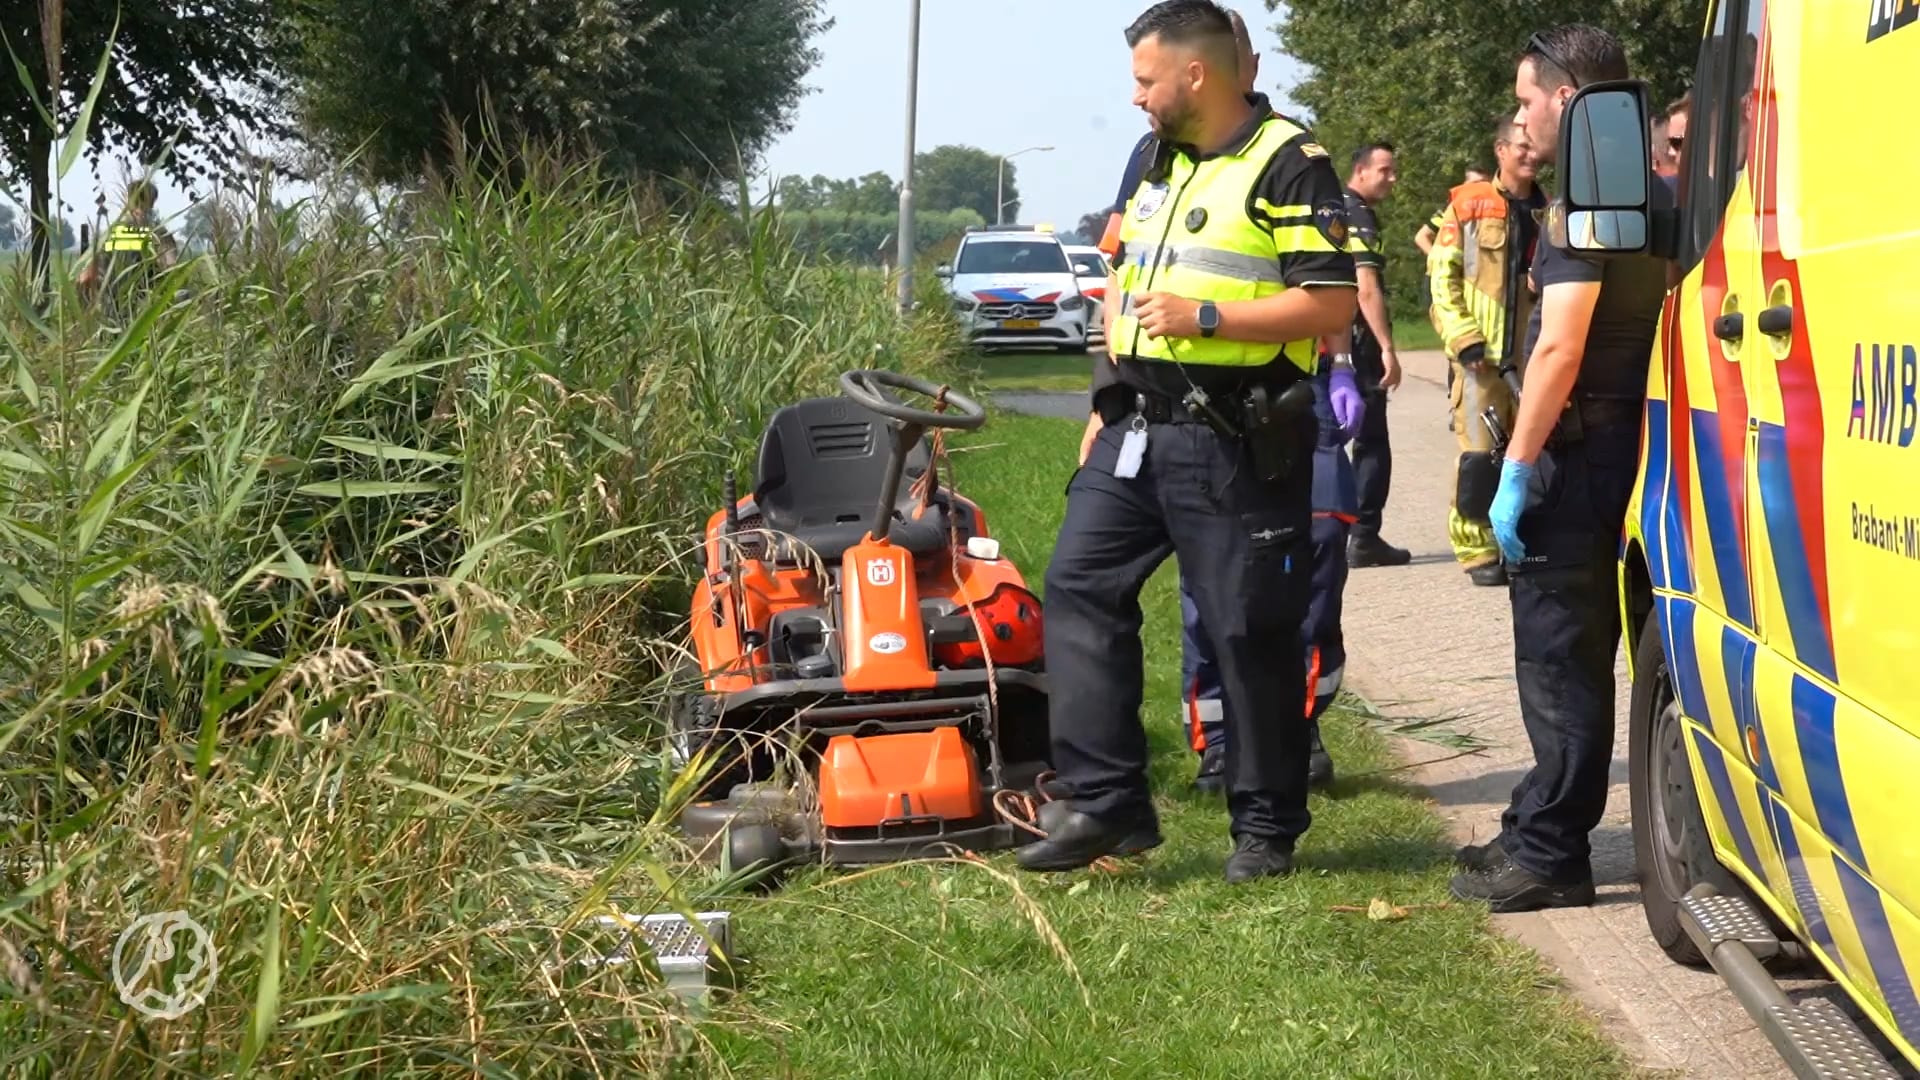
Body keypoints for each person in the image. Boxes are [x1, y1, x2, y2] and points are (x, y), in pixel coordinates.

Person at [1020, 0, 1359, 883]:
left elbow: (1330, 306)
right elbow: (1119, 280)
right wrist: (1105, 394)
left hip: (1235, 435)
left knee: (1250, 630)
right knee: (1079, 586)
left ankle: (1267, 826)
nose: (1134, 98)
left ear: (1194, 76)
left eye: (1144, 80)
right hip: (1137, 426)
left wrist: (1208, 315)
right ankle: (1106, 804)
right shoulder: (1151, 159)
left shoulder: (1289, 161)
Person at [1448, 24, 1673, 912]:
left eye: (1525, 98)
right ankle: (1538, 815)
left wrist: (1518, 464)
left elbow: (1559, 350)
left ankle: (1551, 855)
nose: (1519, 117)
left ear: (1568, 101)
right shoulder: (1654, 193)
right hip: (1621, 440)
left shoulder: (1590, 202)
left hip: (1576, 452)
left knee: (1561, 658)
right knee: (1572, 653)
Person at [1427, 120, 1544, 588]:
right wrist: (1463, 339)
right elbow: (1442, 281)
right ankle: (1477, 552)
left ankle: (1517, 536)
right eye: (1521, 147)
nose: (1530, 156)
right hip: (1479, 356)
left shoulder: (1548, 210)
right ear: (1499, 150)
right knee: (1478, 456)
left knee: (1525, 450)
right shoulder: (1467, 207)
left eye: (1535, 148)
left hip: (1531, 354)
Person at [1340, 143, 1408, 570]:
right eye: (1385, 170)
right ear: (1361, 171)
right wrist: (1386, 346)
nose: (1392, 178)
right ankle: (1364, 536)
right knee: (1372, 443)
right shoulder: (1358, 214)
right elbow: (1366, 287)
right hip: (1359, 344)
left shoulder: (1333, 206)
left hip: (1332, 341)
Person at [77, 179, 177, 315]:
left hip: (112, 307)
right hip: (149, 309)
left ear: (128, 199)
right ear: (153, 201)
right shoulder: (160, 233)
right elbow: (171, 268)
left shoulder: (113, 233)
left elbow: (85, 277)